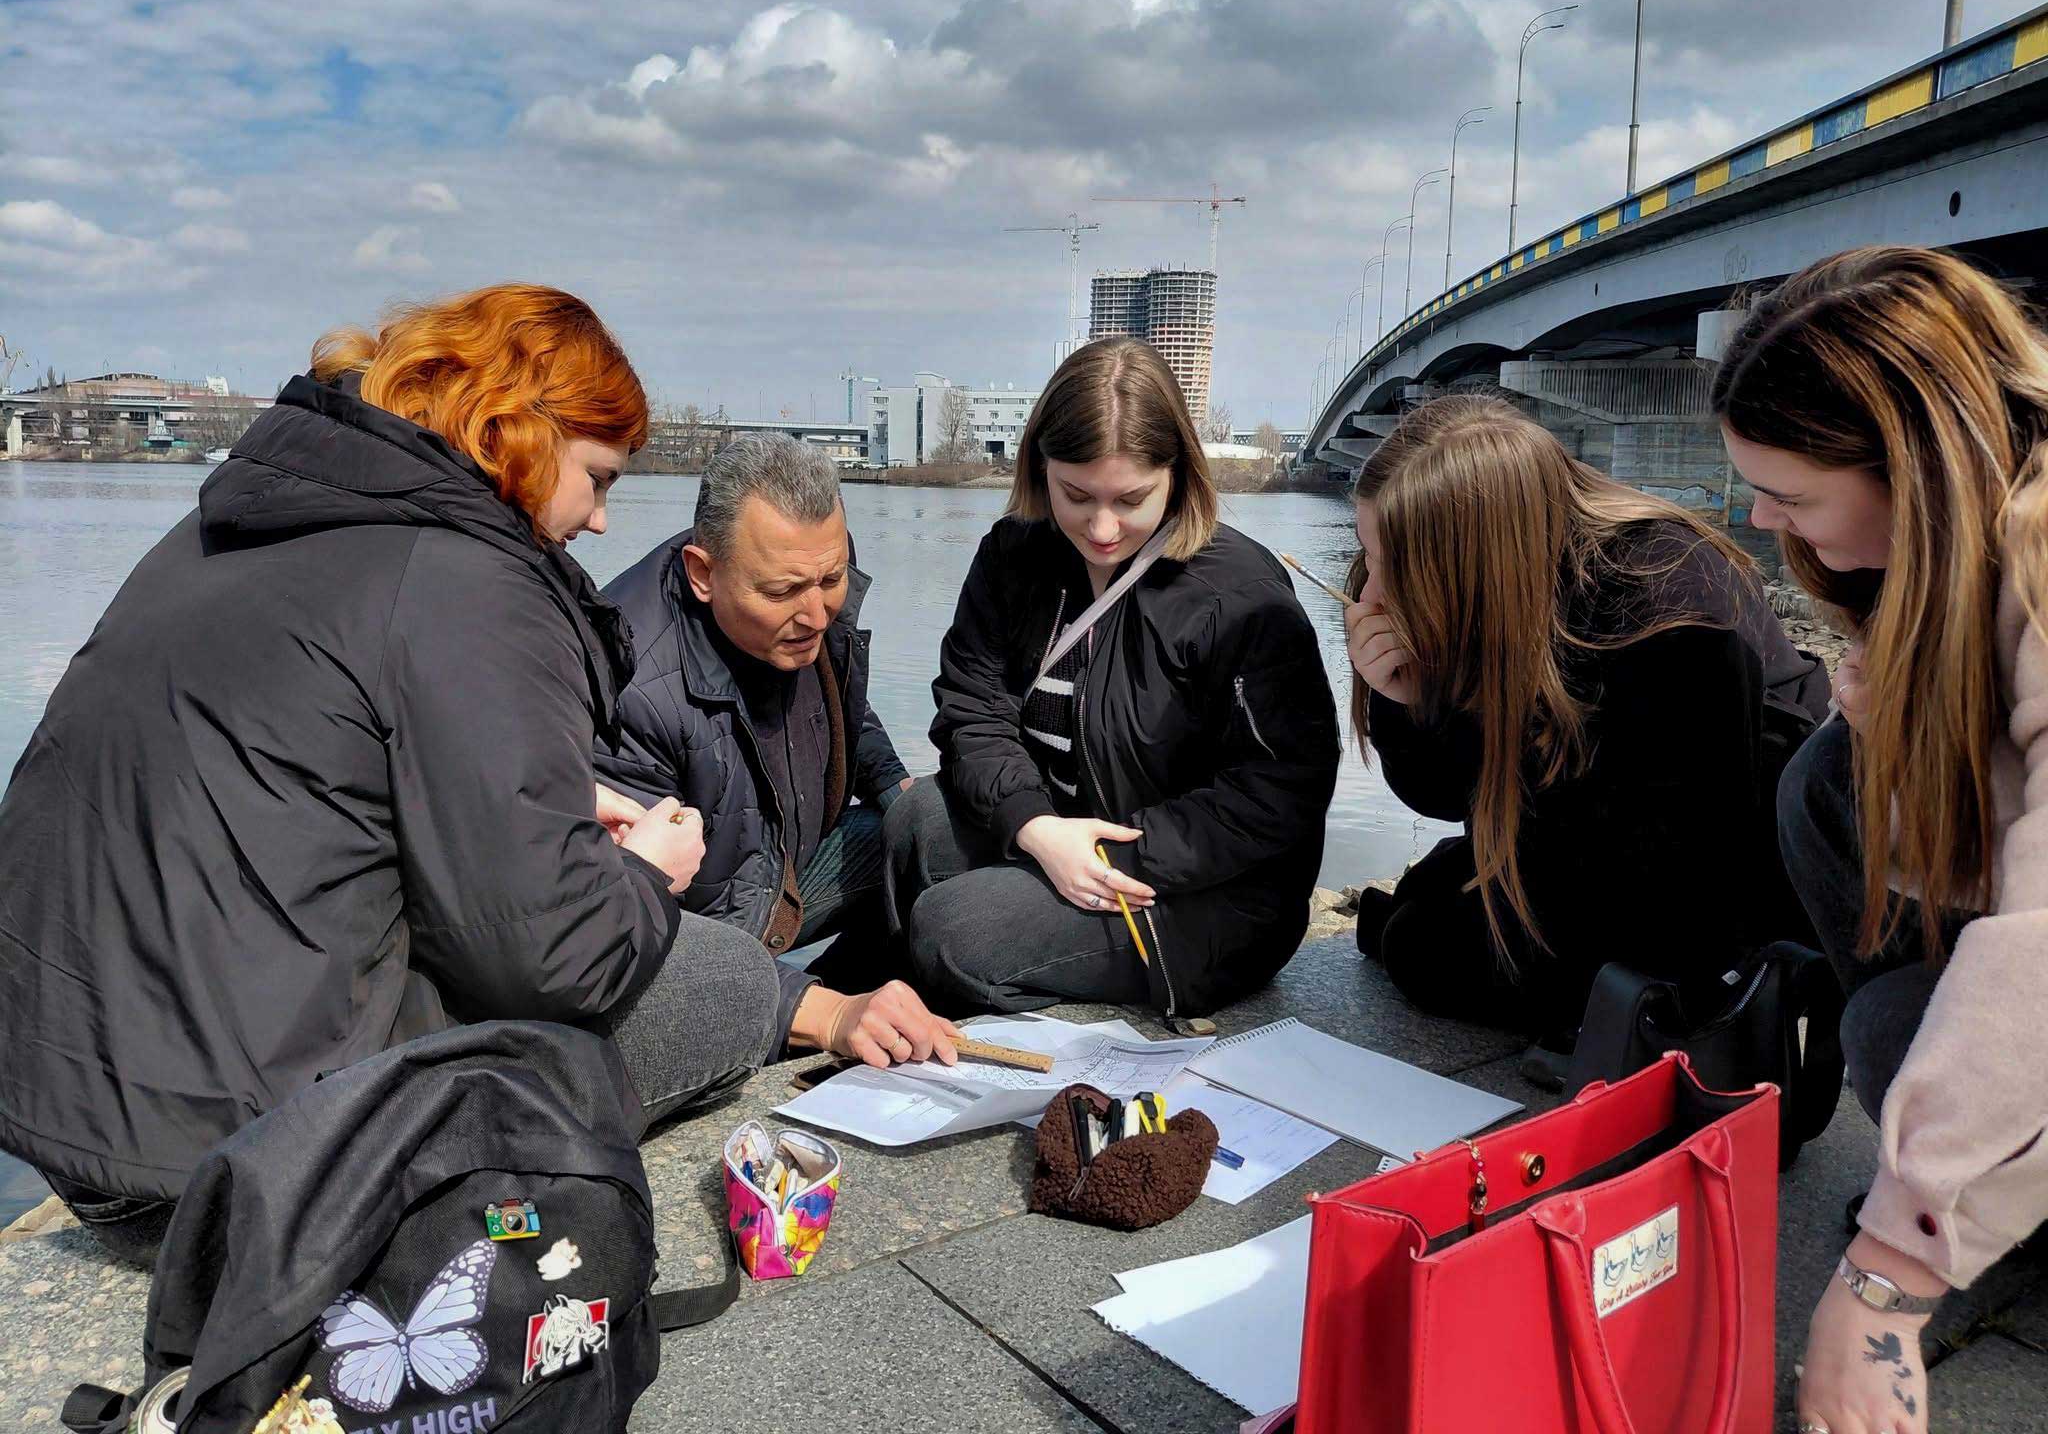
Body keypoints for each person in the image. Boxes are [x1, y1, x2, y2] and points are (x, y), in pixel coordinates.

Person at [0, 285, 943, 1266]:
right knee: (721, 983)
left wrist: (548, 802)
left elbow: (312, 769)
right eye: (597, 477)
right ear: (516, 435)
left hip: (71, 1115)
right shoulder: (468, 578)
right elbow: (555, 959)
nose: (601, 520)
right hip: (245, 1159)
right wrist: (643, 872)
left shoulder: (251, 518)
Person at [1720, 246, 2048, 1434]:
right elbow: (1966, 859)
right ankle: (1975, 1176)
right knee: (1830, 780)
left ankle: (1965, 1190)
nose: (1759, 520)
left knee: (1888, 1020)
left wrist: (1882, 1284)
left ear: (1912, 465)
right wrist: (1905, 746)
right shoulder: (1963, 549)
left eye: (1791, 496)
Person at [1345, 395, 1831, 1041]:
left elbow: (1675, 886)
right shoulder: (1496, 589)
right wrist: (1405, 700)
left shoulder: (1666, 611)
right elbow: (1449, 795)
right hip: (1587, 830)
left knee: (1422, 944)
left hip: (1711, 870)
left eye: (1391, 567)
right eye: (1369, 554)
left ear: (1470, 561)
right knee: (1427, 904)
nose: (1371, 592)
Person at [884, 337, 1340, 1019]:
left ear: (1177, 474)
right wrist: (1036, 827)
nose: (1101, 528)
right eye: (1076, 495)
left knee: (953, 930)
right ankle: (893, 1012)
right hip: (1068, 830)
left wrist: (1109, 855)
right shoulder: (1014, 554)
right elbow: (972, 708)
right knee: (914, 820)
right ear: (1040, 467)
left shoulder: (1241, 597)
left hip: (1203, 892)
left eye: (1131, 499)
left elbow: (1282, 788)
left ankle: (981, 1006)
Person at [598, 433, 952, 1067]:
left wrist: (894, 784)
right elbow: (638, 935)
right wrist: (818, 1011)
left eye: (832, 579)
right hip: (706, 921)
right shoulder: (629, 682)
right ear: (703, 574)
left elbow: (841, 699)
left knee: (928, 823)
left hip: (784, 867)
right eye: (783, 592)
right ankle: (803, 1022)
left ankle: (863, 1010)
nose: (816, 614)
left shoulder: (803, 570)